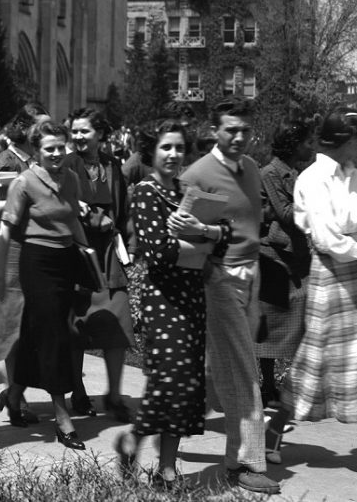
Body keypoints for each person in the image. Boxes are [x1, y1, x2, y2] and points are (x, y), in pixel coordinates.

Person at [114, 120, 230, 489]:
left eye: (179, 148)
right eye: (166, 147)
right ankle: (133, 438)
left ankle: (165, 470)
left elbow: (225, 235)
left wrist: (204, 231)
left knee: (187, 386)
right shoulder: (146, 192)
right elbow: (159, 253)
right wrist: (204, 245)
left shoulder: (187, 191)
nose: (173, 154)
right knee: (170, 379)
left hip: (192, 296)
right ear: (152, 151)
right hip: (162, 299)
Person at [268, 109, 357, 480]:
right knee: (313, 364)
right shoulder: (312, 179)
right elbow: (328, 239)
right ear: (342, 140)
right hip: (329, 274)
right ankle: (271, 431)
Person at [179, 98, 280, 495]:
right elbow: (182, 235)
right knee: (243, 370)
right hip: (218, 277)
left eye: (245, 130)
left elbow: (257, 220)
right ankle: (245, 463)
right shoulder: (197, 174)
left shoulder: (252, 168)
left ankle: (183, 412)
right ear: (214, 131)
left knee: (222, 362)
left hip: (250, 273)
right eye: (231, 130)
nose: (239, 137)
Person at [0, 120, 89, 449]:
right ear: (37, 150)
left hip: (65, 261)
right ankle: (63, 418)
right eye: (49, 148)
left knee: (39, 333)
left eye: (61, 147)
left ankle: (14, 392)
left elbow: (73, 218)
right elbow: (6, 229)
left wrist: (87, 254)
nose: (56, 153)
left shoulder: (72, 178)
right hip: (37, 264)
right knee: (55, 336)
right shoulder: (24, 182)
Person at [63, 108, 135, 422]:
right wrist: (90, 216)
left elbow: (124, 212)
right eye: (74, 131)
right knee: (77, 325)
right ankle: (77, 390)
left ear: (100, 134)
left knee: (117, 323)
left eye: (84, 131)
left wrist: (130, 248)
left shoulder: (114, 165)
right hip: (76, 253)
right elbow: (62, 204)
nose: (78, 137)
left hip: (108, 255)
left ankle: (115, 395)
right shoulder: (65, 165)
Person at [0, 108, 45, 424]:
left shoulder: (47, 160)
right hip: (11, 251)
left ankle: (16, 392)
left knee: (35, 328)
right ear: (24, 129)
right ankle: (15, 395)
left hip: (42, 250)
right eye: (41, 128)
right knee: (12, 327)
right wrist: (25, 192)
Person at [256, 120, 314, 412]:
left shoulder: (296, 173)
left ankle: (289, 385)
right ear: (293, 144)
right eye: (306, 142)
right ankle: (267, 385)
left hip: (297, 258)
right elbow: (286, 213)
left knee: (300, 321)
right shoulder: (271, 172)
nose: (311, 147)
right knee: (270, 323)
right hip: (275, 259)